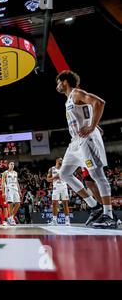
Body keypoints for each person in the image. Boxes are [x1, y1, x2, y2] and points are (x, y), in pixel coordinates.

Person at [56, 70, 117, 228]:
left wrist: (91, 127)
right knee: (64, 173)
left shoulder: (77, 93)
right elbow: (85, 113)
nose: (57, 85)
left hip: (86, 139)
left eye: (58, 82)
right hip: (75, 142)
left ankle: (109, 215)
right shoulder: (69, 100)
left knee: (97, 175)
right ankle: (94, 206)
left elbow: (99, 103)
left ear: (65, 82)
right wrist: (93, 124)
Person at [47, 158, 70, 226]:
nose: (62, 161)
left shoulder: (64, 168)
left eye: (62, 160)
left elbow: (69, 177)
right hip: (56, 187)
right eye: (60, 160)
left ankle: (67, 221)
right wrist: (55, 177)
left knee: (65, 204)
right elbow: (48, 179)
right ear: (56, 161)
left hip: (64, 187)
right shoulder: (51, 169)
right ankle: (54, 221)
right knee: (54, 204)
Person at [2, 161, 21, 226]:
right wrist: (3, 192)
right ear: (8, 165)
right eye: (11, 164)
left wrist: (19, 191)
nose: (12, 165)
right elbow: (3, 183)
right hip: (9, 188)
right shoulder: (5, 173)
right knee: (10, 203)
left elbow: (17, 182)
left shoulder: (15, 173)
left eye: (13, 164)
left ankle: (11, 217)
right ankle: (11, 219)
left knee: (18, 203)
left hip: (15, 188)